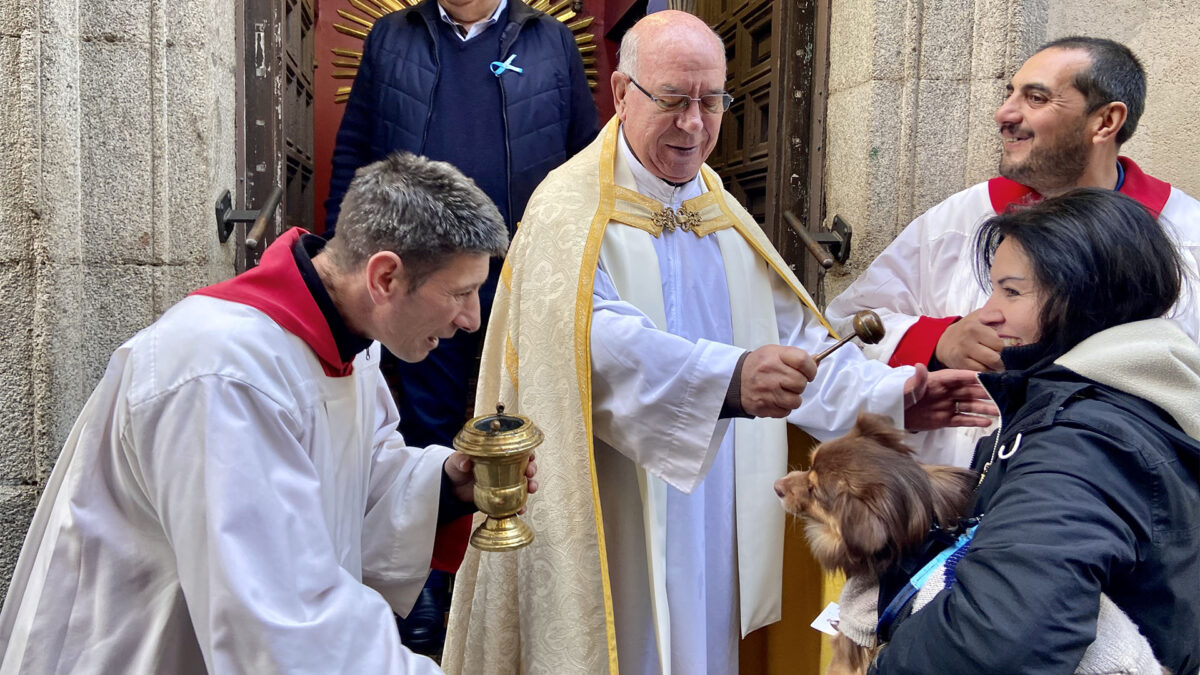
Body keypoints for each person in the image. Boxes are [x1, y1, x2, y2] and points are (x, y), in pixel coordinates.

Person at [442, 11, 994, 674]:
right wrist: (729, 380)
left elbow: (794, 341)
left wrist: (896, 396)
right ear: (621, 93)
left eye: (713, 102)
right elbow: (592, 347)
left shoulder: (720, 209)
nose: (695, 125)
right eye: (673, 101)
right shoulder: (569, 211)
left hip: (716, 502)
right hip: (610, 497)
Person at [0, 153, 538, 673]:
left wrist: (445, 486)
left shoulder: (352, 343)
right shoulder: (223, 373)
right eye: (461, 293)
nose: (471, 319)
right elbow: (282, 623)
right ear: (384, 279)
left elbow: (352, 483)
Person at [325, 3, 597, 644]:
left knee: (512, 418)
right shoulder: (392, 36)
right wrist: (352, 255)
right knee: (417, 419)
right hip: (416, 281)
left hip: (525, 277)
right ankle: (419, 591)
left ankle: (508, 596)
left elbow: (586, 162)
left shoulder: (550, 41)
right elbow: (355, 155)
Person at [826, 36, 1200, 467]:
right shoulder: (960, 219)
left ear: (1105, 121)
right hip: (955, 498)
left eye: (1036, 98)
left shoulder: (1184, 236)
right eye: (1010, 95)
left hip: (1120, 503)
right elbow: (844, 328)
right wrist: (938, 340)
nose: (1004, 115)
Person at [869, 189, 1200, 674]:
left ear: (1083, 297)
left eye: (1012, 291)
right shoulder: (1129, 402)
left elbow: (996, 644)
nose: (987, 312)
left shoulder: (1082, 442)